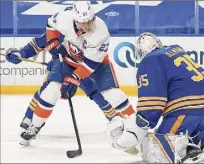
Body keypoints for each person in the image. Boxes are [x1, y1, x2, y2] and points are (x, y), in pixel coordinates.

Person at [105, 32, 204, 163]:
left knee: (157, 149)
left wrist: (137, 129)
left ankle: (188, 151)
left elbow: (153, 104)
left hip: (187, 114)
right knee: (187, 137)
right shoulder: (175, 49)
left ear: (140, 52)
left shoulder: (149, 61)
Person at [5, 1, 135, 146]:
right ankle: (34, 125)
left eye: (90, 20)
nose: (87, 25)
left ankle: (134, 127)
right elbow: (41, 40)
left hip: (94, 65)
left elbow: (90, 64)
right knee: (50, 91)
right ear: (74, 19)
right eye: (83, 22)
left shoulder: (101, 32)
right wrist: (22, 53)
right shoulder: (63, 21)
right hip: (66, 63)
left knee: (112, 95)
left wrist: (73, 79)